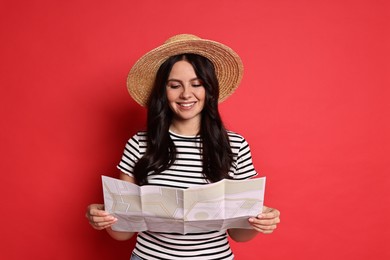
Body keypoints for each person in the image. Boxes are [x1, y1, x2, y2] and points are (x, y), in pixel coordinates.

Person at [86, 34, 281, 260]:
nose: (186, 94)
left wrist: (258, 221)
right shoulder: (139, 144)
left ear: (209, 89)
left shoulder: (235, 146)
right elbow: (123, 234)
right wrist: (104, 217)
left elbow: (239, 234)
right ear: (163, 91)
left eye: (196, 84)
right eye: (174, 85)